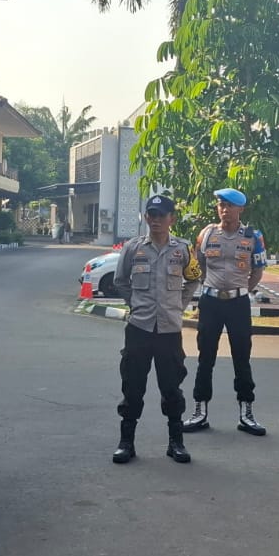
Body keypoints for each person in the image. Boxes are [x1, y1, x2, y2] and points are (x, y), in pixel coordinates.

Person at [111, 194, 201, 464]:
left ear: (172, 218)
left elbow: (194, 279)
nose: (156, 220)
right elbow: (120, 281)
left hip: (169, 330)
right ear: (146, 217)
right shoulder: (133, 248)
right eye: (151, 215)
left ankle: (176, 442)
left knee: (171, 388)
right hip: (139, 328)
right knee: (132, 387)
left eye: (161, 215)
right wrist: (136, 305)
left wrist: (178, 305)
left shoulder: (183, 249)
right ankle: (126, 442)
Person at [183, 187, 268, 436]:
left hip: (238, 304)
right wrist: (209, 285)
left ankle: (246, 413)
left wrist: (242, 290)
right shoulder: (207, 233)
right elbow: (198, 264)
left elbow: (258, 270)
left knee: (242, 358)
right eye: (221, 205)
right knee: (205, 357)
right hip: (210, 303)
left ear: (240, 209)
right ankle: (199, 411)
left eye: (230, 205)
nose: (224, 209)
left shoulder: (253, 236)